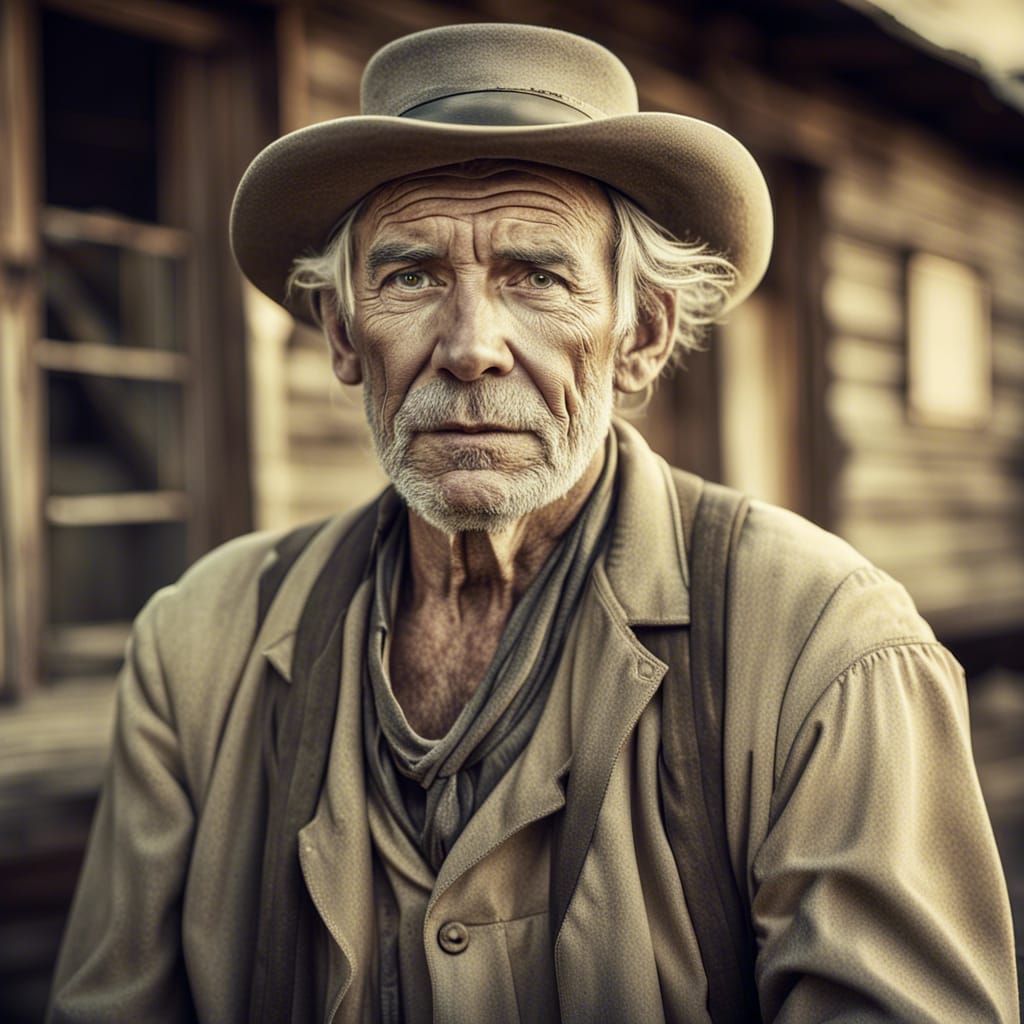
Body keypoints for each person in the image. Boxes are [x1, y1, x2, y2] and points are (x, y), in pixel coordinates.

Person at [48, 22, 1018, 1024]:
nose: (470, 347)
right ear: (343, 334)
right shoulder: (197, 648)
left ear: (640, 336)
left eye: (537, 276)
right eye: (412, 275)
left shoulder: (824, 646)